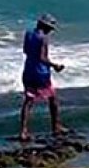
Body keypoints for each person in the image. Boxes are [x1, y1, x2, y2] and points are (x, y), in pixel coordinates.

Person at [19, 13, 66, 142]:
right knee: (53, 99)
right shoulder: (43, 38)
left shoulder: (28, 34)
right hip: (41, 73)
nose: (50, 31)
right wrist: (55, 65)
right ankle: (56, 126)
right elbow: (42, 58)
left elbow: (26, 51)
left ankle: (23, 131)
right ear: (45, 26)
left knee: (28, 102)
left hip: (28, 70)